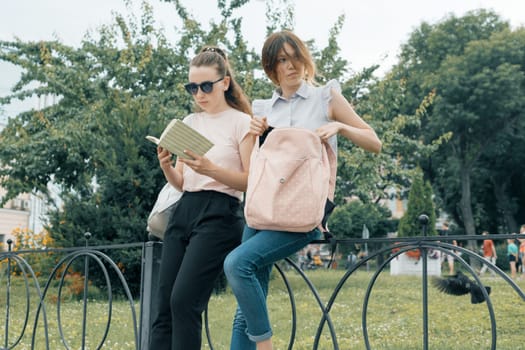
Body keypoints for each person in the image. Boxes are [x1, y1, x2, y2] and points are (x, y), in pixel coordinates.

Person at [223, 30, 381, 350]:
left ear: (304, 59)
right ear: (272, 68)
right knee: (245, 307)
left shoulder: (326, 97)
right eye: (281, 60)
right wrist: (254, 134)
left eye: (294, 57)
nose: (290, 66)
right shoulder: (264, 109)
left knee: (236, 264)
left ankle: (265, 346)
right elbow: (256, 169)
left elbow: (374, 142)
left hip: (305, 214)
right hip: (264, 209)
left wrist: (340, 126)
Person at [149, 46, 254, 350]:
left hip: (220, 214)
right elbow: (181, 183)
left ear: (225, 82)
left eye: (206, 86)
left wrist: (211, 168)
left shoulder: (242, 123)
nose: (199, 94)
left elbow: (250, 180)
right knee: (164, 305)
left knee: (184, 301)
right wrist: (167, 165)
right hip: (185, 209)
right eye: (192, 87)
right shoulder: (191, 122)